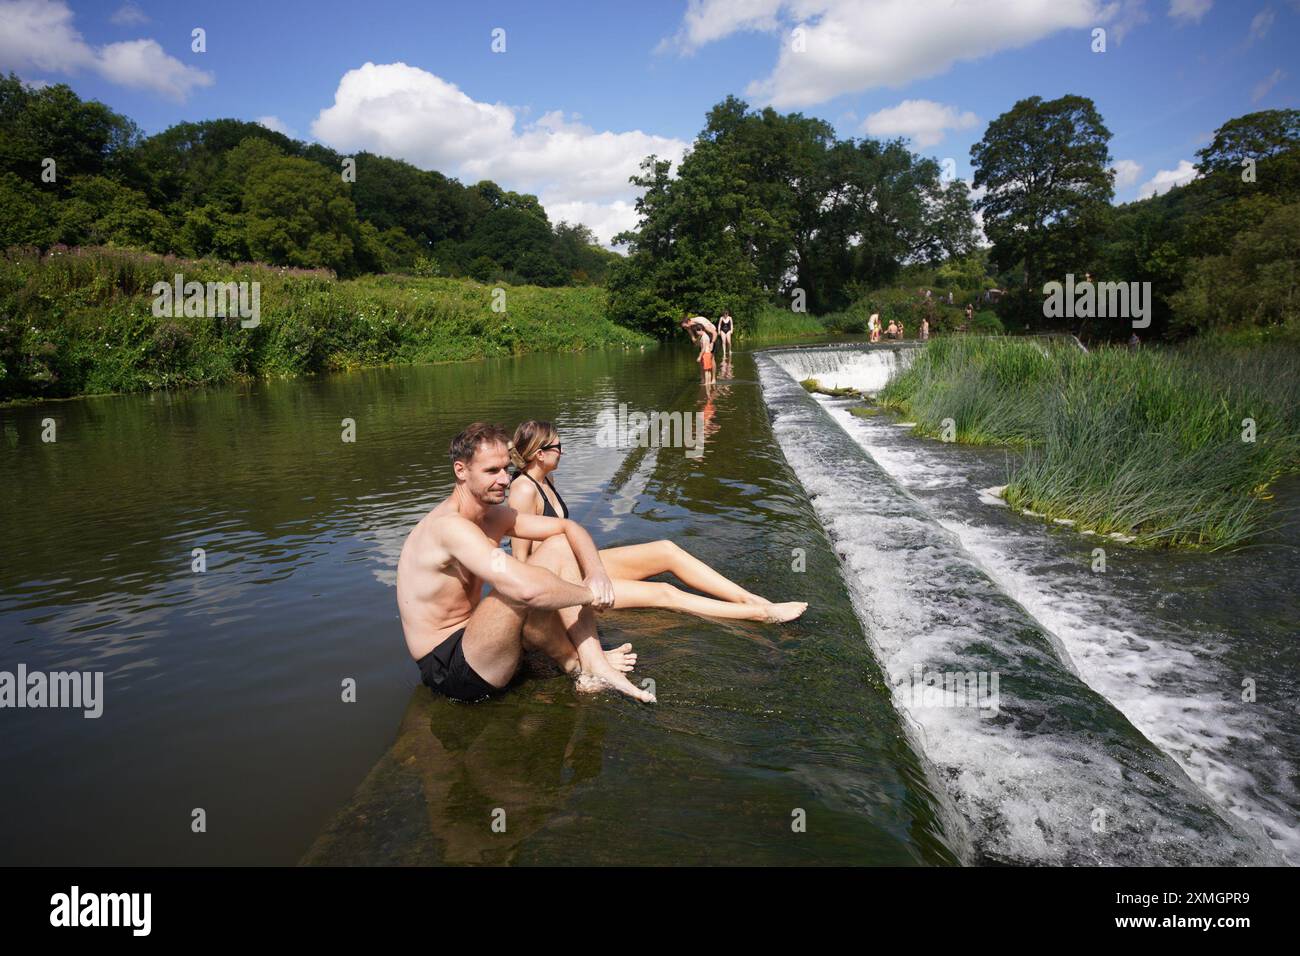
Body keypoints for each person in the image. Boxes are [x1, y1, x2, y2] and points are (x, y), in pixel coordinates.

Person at [396, 423, 654, 704]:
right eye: (491, 471)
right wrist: (591, 595)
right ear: (461, 470)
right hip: (452, 668)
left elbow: (567, 527)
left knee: (558, 544)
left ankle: (590, 664)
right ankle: (582, 664)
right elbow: (527, 591)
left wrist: (596, 574)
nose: (505, 480)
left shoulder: (493, 516)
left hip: (480, 642)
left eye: (506, 469)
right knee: (518, 586)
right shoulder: (449, 527)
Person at [506, 421, 805, 624]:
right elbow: (522, 563)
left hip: (578, 564)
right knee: (663, 592)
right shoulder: (522, 489)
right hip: (561, 582)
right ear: (539, 454)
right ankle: (760, 614)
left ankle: (748, 597)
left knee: (666, 549)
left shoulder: (546, 478)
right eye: (558, 447)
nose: (563, 452)